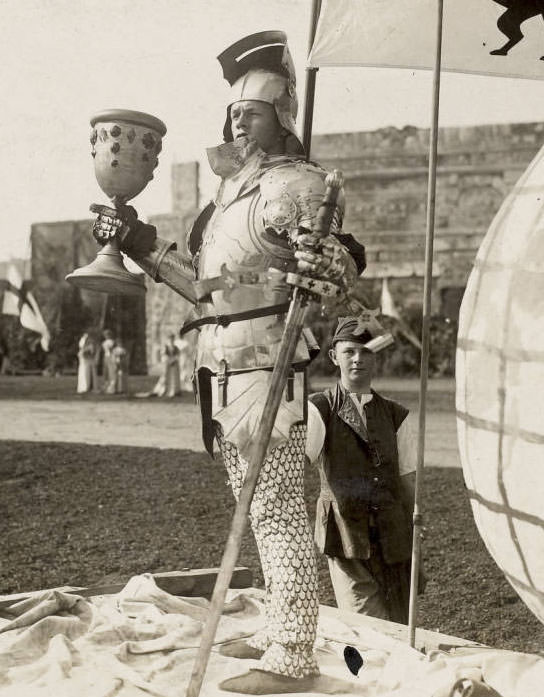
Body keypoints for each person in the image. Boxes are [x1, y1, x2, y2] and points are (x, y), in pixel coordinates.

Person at [90, 30, 365, 693]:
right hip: (221, 364)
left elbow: (334, 270)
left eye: (252, 112)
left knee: (272, 508)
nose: (238, 122)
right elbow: (205, 289)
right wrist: (135, 242)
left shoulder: (297, 184)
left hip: (267, 362)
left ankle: (293, 652)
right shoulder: (229, 200)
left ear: (282, 114)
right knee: (254, 501)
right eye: (233, 113)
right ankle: (279, 625)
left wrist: (335, 261)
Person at [305, 317, 419, 623]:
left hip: (393, 536)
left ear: (376, 357)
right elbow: (300, 461)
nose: (358, 359)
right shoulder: (319, 409)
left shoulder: (398, 415)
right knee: (366, 624)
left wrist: (415, 527)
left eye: (367, 352)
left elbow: (409, 482)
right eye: (350, 352)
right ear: (334, 357)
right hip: (346, 535)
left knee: (400, 622)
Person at [100, 329, 117, 394]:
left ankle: (111, 388)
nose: (106, 336)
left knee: (111, 372)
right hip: (106, 357)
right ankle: (106, 387)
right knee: (106, 372)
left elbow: (112, 350)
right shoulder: (105, 342)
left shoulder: (112, 342)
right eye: (105, 335)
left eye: (107, 335)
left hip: (110, 357)